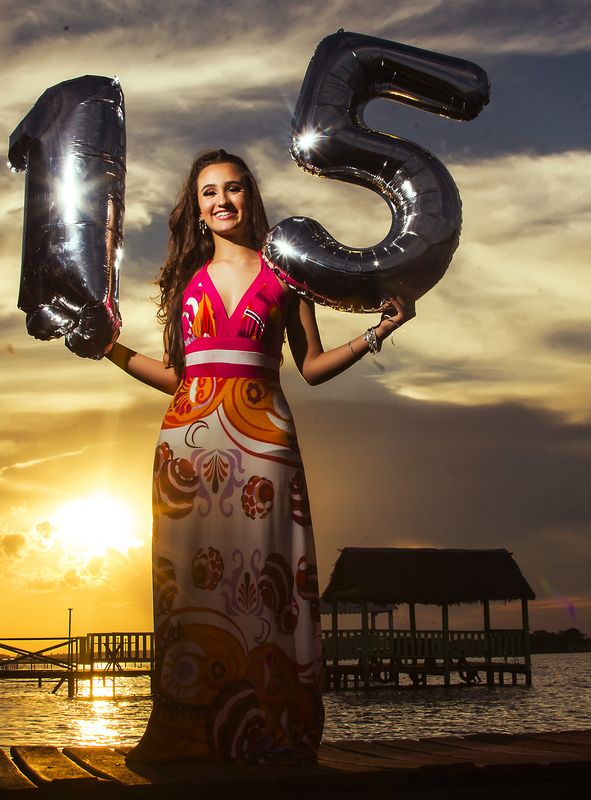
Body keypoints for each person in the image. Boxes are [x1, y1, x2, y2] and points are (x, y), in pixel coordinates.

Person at [107, 149, 412, 763]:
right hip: (187, 445)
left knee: (267, 581)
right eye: (209, 193)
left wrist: (379, 331)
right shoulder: (182, 279)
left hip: (264, 438)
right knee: (192, 587)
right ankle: (191, 734)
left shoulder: (287, 271)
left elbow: (313, 367)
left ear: (251, 196)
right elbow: (173, 377)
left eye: (234, 189)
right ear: (195, 210)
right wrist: (108, 351)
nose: (223, 201)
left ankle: (274, 731)